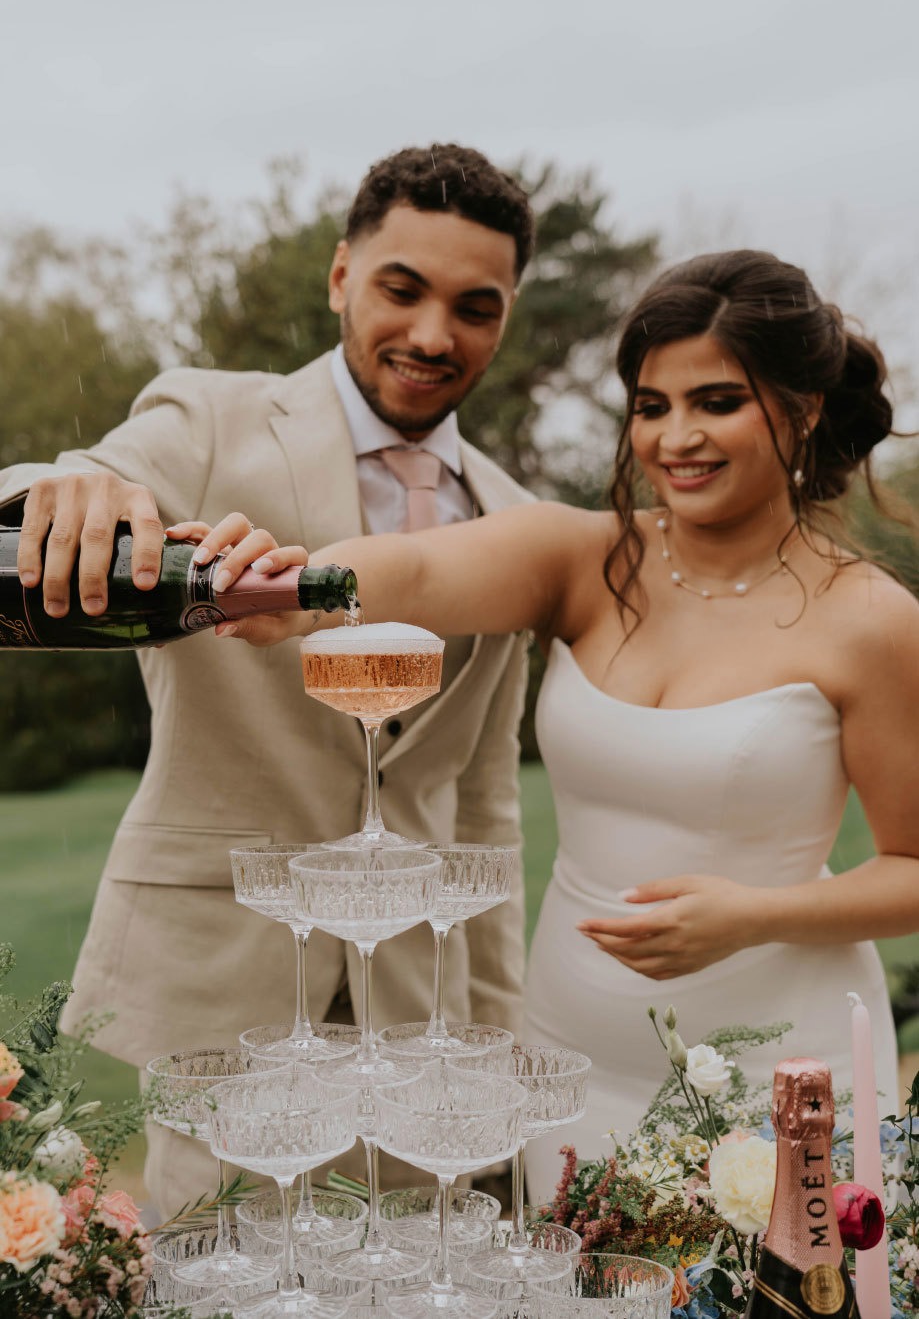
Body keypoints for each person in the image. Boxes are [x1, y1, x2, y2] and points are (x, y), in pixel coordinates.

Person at [199, 248, 919, 1202]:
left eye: (716, 401)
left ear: (802, 408)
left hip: (785, 1077)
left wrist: (752, 917)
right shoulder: (580, 556)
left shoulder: (868, 619)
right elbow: (414, 573)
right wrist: (299, 590)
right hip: (573, 1073)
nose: (675, 438)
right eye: (651, 406)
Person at [0, 143, 536, 1215]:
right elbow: (82, 482)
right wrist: (57, 491)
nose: (434, 334)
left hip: (417, 1004)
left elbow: (483, 798)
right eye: (402, 287)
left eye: (475, 306)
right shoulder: (209, 417)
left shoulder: (514, 515)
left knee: (416, 1269)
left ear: (506, 314)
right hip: (223, 979)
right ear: (341, 275)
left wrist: (495, 1029)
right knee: (217, 1267)